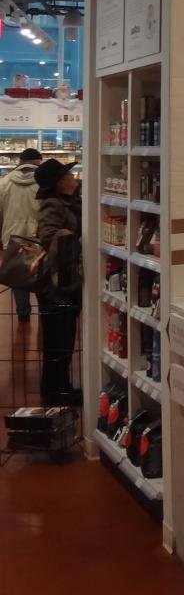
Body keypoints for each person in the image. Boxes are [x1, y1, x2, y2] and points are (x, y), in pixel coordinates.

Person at [34, 158, 83, 404]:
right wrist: (75, 240)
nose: (74, 177)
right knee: (58, 341)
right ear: (60, 182)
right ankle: (56, 392)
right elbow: (47, 235)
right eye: (69, 175)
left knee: (64, 338)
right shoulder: (53, 205)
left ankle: (60, 388)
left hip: (66, 279)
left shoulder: (71, 201)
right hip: (56, 284)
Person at [0, 148, 43, 322]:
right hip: (38, 236)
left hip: (11, 235)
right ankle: (43, 311)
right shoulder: (44, 182)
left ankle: (23, 312)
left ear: (20, 161)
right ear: (38, 162)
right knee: (41, 272)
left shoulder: (4, 182)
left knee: (17, 274)